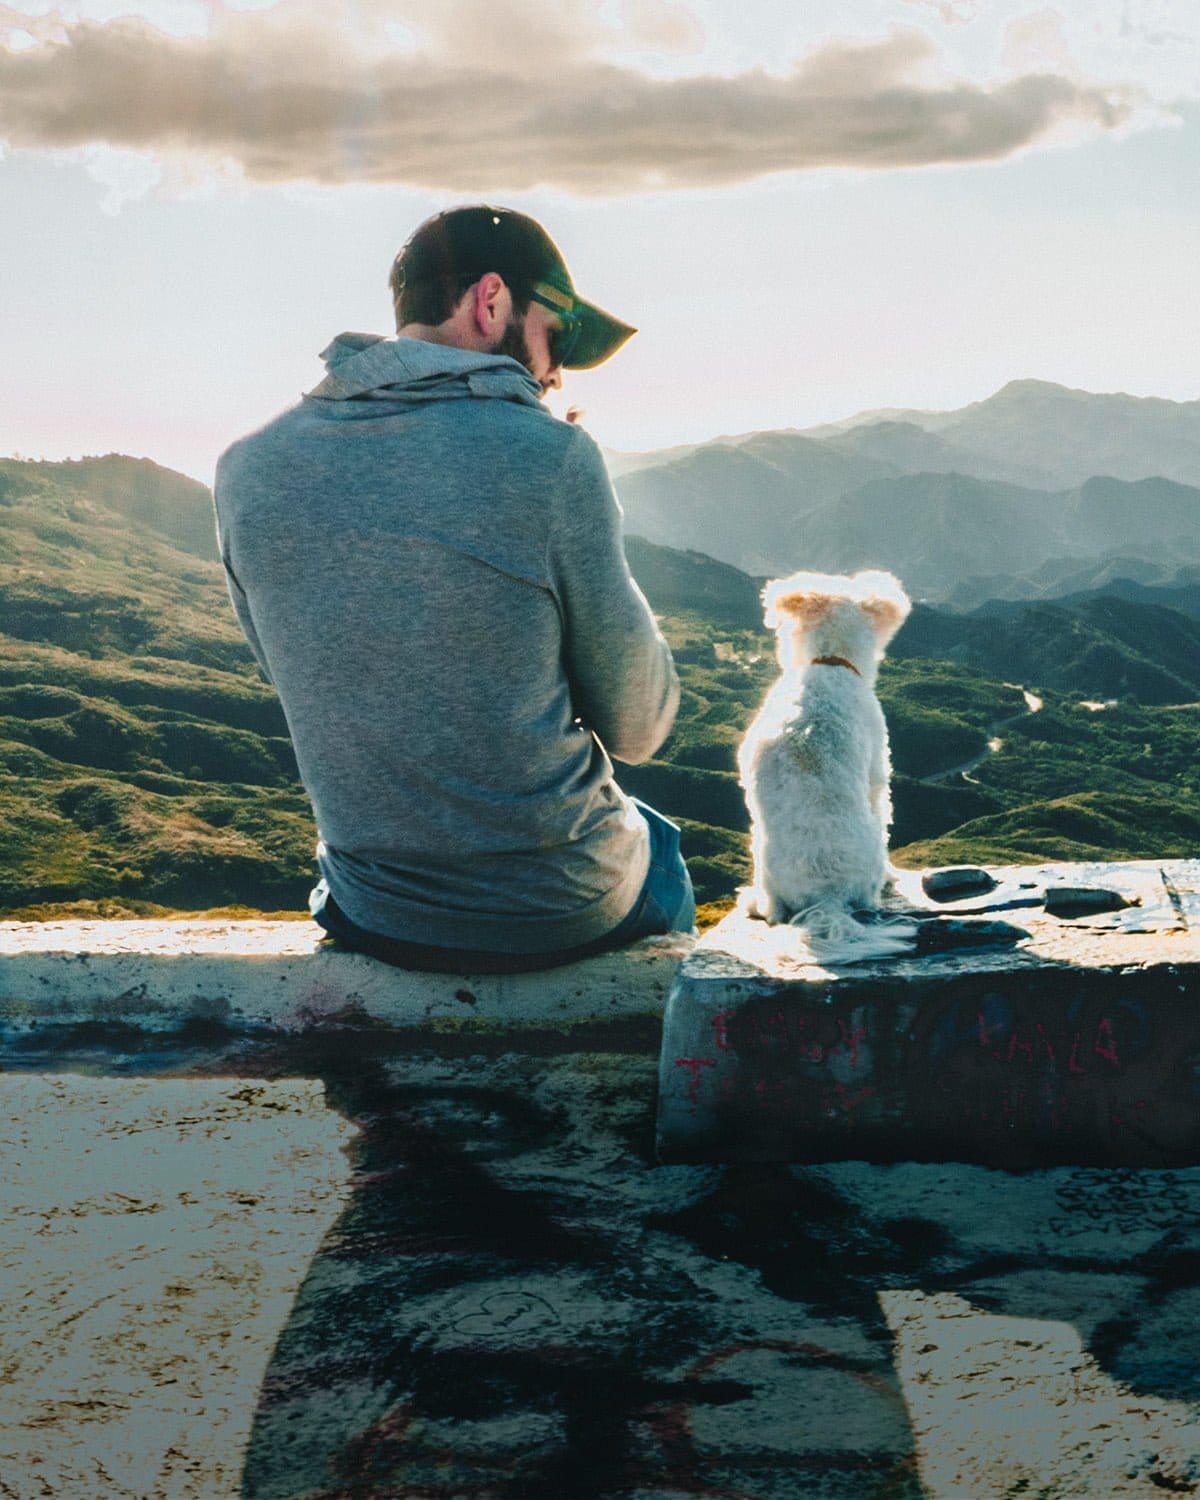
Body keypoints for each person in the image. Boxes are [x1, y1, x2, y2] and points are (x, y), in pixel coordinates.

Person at [214, 204, 694, 972]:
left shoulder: (246, 466)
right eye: (557, 335)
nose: (556, 370)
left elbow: (306, 675)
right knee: (659, 845)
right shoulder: (552, 457)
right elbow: (639, 727)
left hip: (375, 907)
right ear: (492, 301)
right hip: (554, 905)